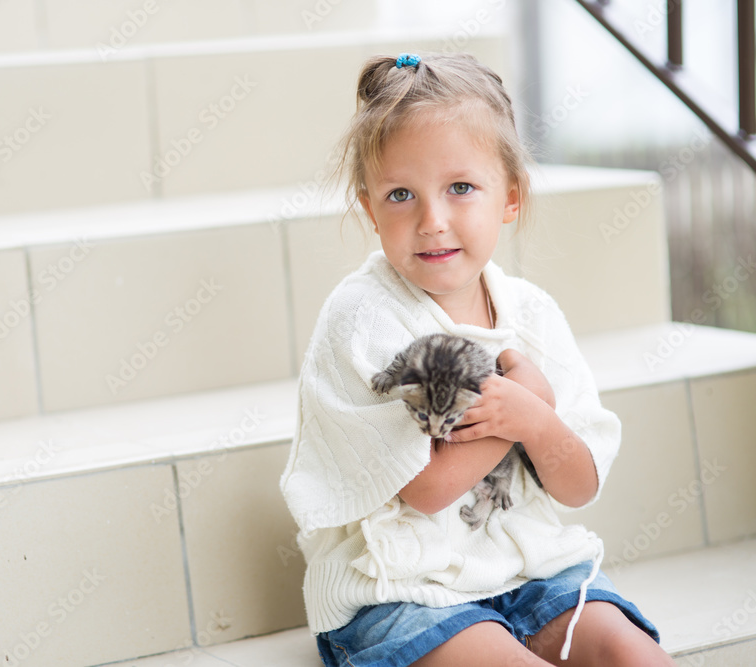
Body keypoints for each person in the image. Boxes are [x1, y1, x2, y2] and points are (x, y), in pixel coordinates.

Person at [279, 52, 675, 666]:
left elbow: (578, 484)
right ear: (369, 209)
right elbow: (427, 491)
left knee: (635, 655)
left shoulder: (531, 313)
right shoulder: (363, 319)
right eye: (401, 194)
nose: (433, 222)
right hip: (404, 591)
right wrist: (527, 406)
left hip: (533, 573)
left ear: (509, 198)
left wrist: (540, 423)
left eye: (460, 188)